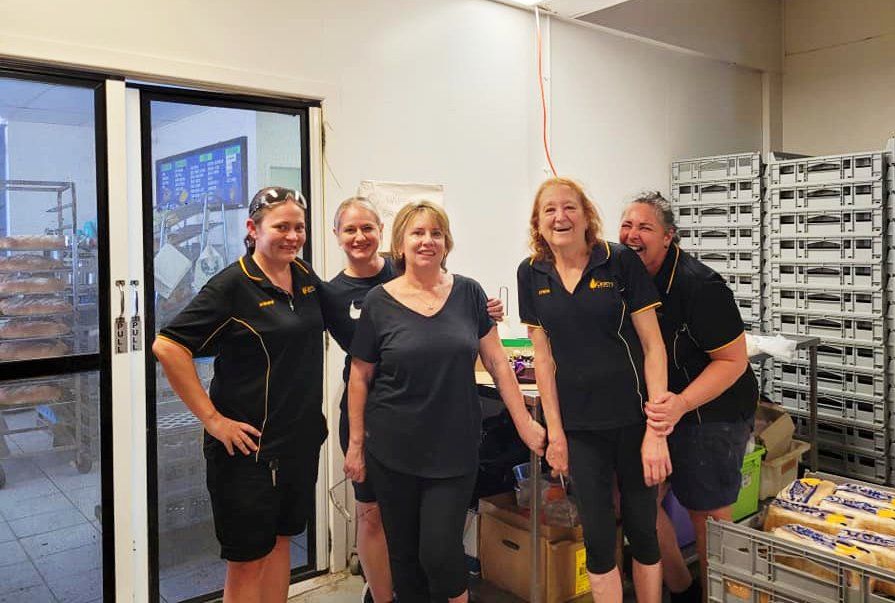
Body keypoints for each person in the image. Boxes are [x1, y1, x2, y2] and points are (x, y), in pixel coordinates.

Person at [343, 200, 545, 603]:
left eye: (436, 233)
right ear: (401, 243)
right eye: (417, 233)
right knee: (405, 559)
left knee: (440, 554)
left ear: (446, 242)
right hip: (393, 449)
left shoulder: (468, 293)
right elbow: (360, 377)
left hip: (453, 447)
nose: (427, 241)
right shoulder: (379, 302)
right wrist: (356, 444)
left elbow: (497, 363)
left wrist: (524, 422)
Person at [153, 187, 326, 603]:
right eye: (281, 226)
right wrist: (213, 420)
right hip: (248, 453)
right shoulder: (232, 285)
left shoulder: (304, 277)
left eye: (299, 227)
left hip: (298, 444)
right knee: (247, 562)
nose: (293, 236)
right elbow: (168, 346)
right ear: (253, 228)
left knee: (282, 542)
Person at [517, 177, 671, 603]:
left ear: (586, 215)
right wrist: (556, 434)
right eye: (549, 210)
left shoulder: (618, 261)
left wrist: (656, 431)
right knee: (599, 540)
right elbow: (543, 360)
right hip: (580, 429)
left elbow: (654, 346)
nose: (560, 217)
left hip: (633, 422)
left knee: (643, 531)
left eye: (569, 207)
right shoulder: (531, 273)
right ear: (538, 222)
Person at [619, 192, 758, 603]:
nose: (632, 235)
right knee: (636, 503)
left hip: (711, 412)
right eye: (627, 225)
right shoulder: (623, 277)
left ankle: (721, 596)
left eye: (645, 227)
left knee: (708, 515)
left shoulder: (700, 286)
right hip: (658, 409)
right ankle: (682, 588)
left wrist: (681, 404)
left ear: (668, 237)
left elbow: (733, 361)